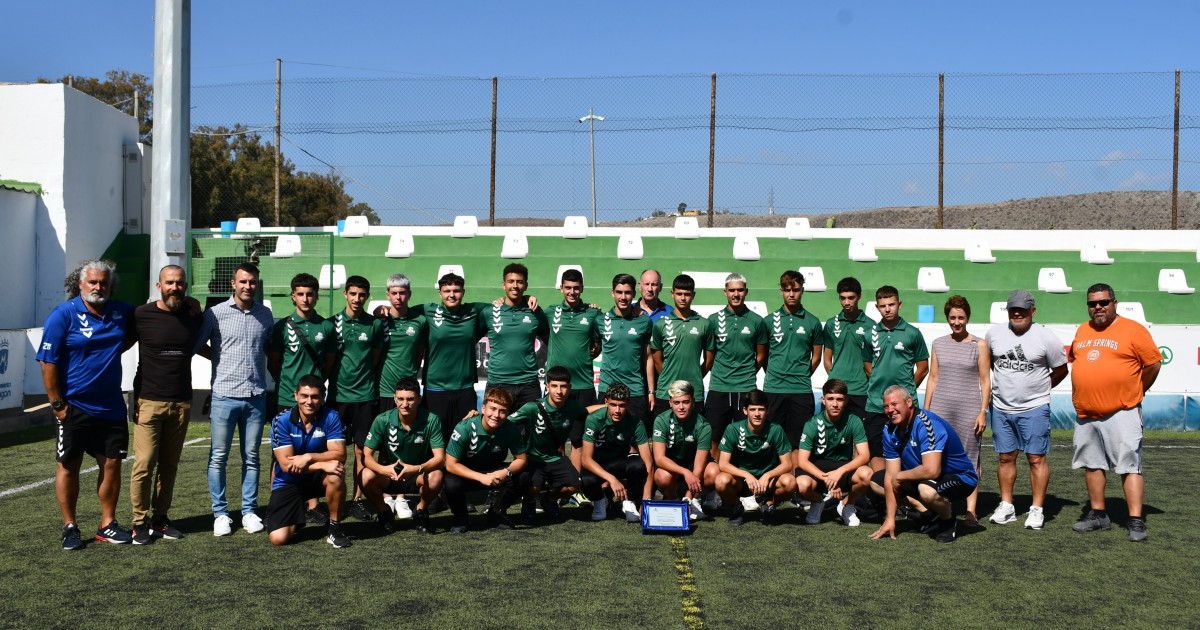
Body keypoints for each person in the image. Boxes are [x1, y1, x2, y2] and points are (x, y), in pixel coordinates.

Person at [38, 259, 136, 549]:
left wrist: (189, 305)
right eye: (92, 282)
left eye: (103, 282)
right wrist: (57, 404)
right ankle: (70, 526)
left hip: (111, 406)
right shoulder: (63, 315)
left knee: (112, 464)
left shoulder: (121, 311)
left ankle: (107, 524)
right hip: (74, 406)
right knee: (69, 465)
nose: (98, 287)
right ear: (80, 284)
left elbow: (149, 316)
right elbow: (47, 361)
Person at [1068, 283, 1161, 542]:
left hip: (1122, 410)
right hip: (1087, 412)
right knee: (1092, 464)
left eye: (1103, 302)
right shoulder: (1082, 329)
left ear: (1114, 303)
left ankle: (1135, 519)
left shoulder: (1133, 329)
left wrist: (1135, 391)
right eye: (1092, 303)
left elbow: (1153, 364)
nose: (1097, 307)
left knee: (1129, 465)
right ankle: (1098, 514)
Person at [194, 261, 276, 536]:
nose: (247, 286)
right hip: (224, 395)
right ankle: (220, 514)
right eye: (243, 281)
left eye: (252, 282)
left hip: (255, 397)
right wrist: (218, 357)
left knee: (251, 457)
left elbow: (270, 348)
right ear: (233, 283)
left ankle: (249, 511)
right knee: (218, 457)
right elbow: (197, 345)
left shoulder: (265, 314)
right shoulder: (215, 313)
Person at [126, 265, 203, 544]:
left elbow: (206, 337)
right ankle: (138, 522)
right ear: (158, 286)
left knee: (169, 465)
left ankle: (160, 518)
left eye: (179, 283)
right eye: (169, 283)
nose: (174, 287)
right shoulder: (141, 315)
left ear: (186, 286)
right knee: (145, 463)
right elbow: (117, 346)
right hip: (149, 401)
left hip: (181, 402)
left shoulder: (193, 314)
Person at [985, 289, 1068, 530]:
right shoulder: (994, 334)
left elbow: (1061, 369)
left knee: (1036, 458)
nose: (1017, 313)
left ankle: (1037, 509)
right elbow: (990, 364)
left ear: (1033, 310)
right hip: (1001, 407)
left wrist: (1040, 389)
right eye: (1013, 309)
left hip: (1034, 407)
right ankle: (1007, 505)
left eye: (1022, 309)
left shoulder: (1046, 336)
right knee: (1005, 457)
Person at [868, 386, 978, 544]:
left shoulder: (927, 424)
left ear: (909, 402)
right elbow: (891, 475)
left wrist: (900, 476)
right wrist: (890, 519)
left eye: (894, 404)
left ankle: (948, 520)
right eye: (886, 406)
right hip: (924, 477)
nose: (890, 410)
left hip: (960, 477)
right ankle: (929, 514)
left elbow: (932, 470)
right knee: (876, 482)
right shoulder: (889, 429)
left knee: (926, 490)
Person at [924, 295, 990, 527]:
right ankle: (942, 505)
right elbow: (933, 378)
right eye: (952, 318)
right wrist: (926, 411)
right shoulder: (938, 343)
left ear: (968, 317)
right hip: (940, 409)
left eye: (961, 317)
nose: (956, 322)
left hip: (969, 409)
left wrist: (983, 411)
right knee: (937, 456)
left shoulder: (979, 345)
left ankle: (971, 510)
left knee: (971, 457)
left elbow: (985, 380)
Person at [266, 376, 351, 548]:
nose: (309, 402)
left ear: (322, 397)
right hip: (289, 481)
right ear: (296, 395)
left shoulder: (331, 416)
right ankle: (297, 516)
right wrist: (322, 464)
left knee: (335, 474)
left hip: (318, 478)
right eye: (304, 396)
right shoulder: (281, 421)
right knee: (278, 539)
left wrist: (309, 457)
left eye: (315, 397)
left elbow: (340, 454)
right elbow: (287, 466)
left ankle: (335, 529)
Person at [328, 275, 384, 521]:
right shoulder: (332, 324)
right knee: (335, 451)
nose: (357, 299)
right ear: (345, 294)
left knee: (362, 451)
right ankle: (336, 500)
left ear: (367, 296)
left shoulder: (374, 325)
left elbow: (374, 358)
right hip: (338, 397)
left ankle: (357, 500)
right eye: (353, 294)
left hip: (365, 397)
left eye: (362, 295)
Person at [361, 377, 444, 534]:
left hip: (418, 473)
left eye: (410, 399)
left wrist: (417, 468)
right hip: (390, 474)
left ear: (419, 399)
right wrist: (383, 470)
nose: (405, 404)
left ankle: (421, 511)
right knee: (365, 476)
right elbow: (366, 455)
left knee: (436, 476)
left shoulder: (431, 420)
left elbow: (440, 458)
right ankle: (384, 512)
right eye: (400, 399)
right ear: (394, 398)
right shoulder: (382, 420)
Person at [508, 366, 588, 524]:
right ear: (547, 387)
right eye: (554, 386)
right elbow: (505, 421)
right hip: (534, 459)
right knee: (534, 487)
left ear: (569, 387)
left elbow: (587, 411)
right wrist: (478, 417)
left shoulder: (573, 407)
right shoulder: (532, 407)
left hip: (556, 458)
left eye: (563, 386)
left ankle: (549, 499)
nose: (559, 391)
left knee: (575, 486)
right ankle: (529, 501)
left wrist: (607, 407)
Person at [443, 387, 529, 533]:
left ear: (508, 413)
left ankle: (497, 512)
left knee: (524, 476)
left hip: (494, 471)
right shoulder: (464, 428)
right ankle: (460, 516)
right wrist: (481, 477)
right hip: (467, 473)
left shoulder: (510, 428)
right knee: (450, 482)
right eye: (492, 409)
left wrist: (505, 472)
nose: (496, 415)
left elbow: (522, 459)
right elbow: (450, 465)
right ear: (483, 408)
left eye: (502, 411)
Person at [862, 285, 929, 472]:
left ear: (899, 304)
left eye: (891, 304)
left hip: (905, 406)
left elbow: (923, 368)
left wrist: (905, 393)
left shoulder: (912, 333)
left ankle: (905, 489)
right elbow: (867, 365)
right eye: (883, 306)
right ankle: (881, 489)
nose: (888, 309)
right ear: (877, 307)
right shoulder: (869, 334)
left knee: (908, 450)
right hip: (876, 404)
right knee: (877, 452)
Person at [704, 273, 767, 461]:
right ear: (725, 292)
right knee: (714, 437)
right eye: (732, 290)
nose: (736, 294)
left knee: (745, 436)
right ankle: (716, 473)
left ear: (746, 291)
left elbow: (761, 355)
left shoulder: (757, 321)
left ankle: (741, 473)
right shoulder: (713, 320)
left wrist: (746, 372)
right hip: (719, 387)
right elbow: (710, 355)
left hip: (746, 387)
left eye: (740, 290)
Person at [763, 270, 825, 457]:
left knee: (799, 443)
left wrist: (802, 374)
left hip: (801, 390)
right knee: (772, 441)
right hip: (773, 389)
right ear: (781, 291)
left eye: (796, 290)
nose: (791, 294)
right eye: (787, 290)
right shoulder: (768, 321)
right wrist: (774, 373)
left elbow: (816, 357)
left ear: (802, 290)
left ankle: (796, 476)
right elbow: (763, 355)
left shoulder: (813, 322)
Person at [546, 267, 601, 474]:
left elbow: (598, 344)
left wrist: (595, 349)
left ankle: (575, 483)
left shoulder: (593, 313)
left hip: (583, 384)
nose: (572, 292)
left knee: (578, 439)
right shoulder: (550, 312)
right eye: (568, 287)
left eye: (576, 288)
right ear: (561, 288)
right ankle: (559, 480)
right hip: (557, 386)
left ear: (582, 288)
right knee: (556, 438)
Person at [421, 272, 487, 442]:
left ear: (463, 292)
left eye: (456, 290)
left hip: (465, 389)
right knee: (436, 441)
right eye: (447, 291)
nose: (452, 295)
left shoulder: (474, 310)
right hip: (436, 389)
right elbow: (402, 312)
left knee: (464, 441)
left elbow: (504, 305)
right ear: (440, 293)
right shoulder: (427, 310)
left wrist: (526, 298)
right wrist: (382, 309)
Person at [795, 379, 871, 526]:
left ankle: (846, 505)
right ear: (823, 400)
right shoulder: (812, 423)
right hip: (817, 470)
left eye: (839, 399)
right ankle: (818, 502)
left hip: (842, 468)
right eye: (830, 399)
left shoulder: (854, 421)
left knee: (866, 474)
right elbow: (802, 461)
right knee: (801, 484)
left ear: (846, 401)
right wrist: (827, 480)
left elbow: (865, 455)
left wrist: (839, 472)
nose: (835, 404)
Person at [714, 389, 796, 526]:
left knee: (790, 482)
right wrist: (746, 475)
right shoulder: (733, 429)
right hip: (741, 481)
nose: (757, 414)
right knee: (721, 481)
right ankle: (737, 506)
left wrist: (767, 475)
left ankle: (768, 504)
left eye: (761, 409)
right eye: (752, 409)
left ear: (768, 410)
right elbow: (723, 464)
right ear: (745, 410)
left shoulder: (775, 429)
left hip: (767, 482)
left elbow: (787, 464)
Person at [579, 382, 654, 522]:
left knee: (638, 465)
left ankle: (630, 501)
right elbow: (586, 460)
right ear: (606, 402)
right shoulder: (594, 419)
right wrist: (612, 480)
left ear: (628, 404)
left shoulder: (636, 422)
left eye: (622, 405)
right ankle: (600, 500)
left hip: (620, 462)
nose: (617, 410)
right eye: (613, 405)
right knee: (585, 480)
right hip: (598, 463)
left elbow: (648, 461)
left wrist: (647, 498)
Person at [267, 272, 335, 415]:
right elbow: (272, 364)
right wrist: (287, 385)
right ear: (293, 296)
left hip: (314, 399)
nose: (305, 299)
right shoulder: (282, 326)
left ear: (316, 296)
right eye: (300, 294)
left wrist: (316, 384)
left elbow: (330, 364)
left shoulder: (327, 326)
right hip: (286, 398)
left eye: (309, 294)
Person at [484, 263, 549, 410]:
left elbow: (550, 341)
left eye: (520, 282)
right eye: (511, 281)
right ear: (503, 285)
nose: (515, 286)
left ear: (526, 285)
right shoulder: (489, 312)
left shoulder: (535, 311)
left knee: (530, 424)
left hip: (528, 384)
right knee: (496, 424)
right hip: (498, 383)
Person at [650, 274, 713, 423]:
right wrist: (670, 379)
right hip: (666, 392)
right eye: (679, 294)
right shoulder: (660, 324)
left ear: (693, 295)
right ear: (672, 294)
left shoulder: (704, 324)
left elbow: (709, 360)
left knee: (694, 434)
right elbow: (657, 360)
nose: (683, 298)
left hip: (694, 392)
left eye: (687, 294)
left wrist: (695, 377)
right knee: (664, 433)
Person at [651, 380, 717, 521]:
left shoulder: (703, 425)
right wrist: (685, 472)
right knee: (662, 476)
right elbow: (659, 459)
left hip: (694, 464)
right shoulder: (661, 420)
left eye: (685, 402)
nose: (681, 407)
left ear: (693, 402)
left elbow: (699, 466)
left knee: (714, 472)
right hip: (672, 465)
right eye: (676, 402)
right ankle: (674, 500)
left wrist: (688, 498)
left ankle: (694, 500)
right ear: (670, 403)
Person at [594, 274, 653, 424]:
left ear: (634, 294)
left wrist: (651, 391)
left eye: (627, 292)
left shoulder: (644, 321)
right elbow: (593, 349)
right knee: (605, 434)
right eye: (619, 292)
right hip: (607, 388)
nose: (623, 297)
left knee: (637, 435)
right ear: (612, 293)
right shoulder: (600, 320)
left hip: (635, 389)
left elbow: (648, 357)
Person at [823, 277, 874, 421]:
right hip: (836, 392)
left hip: (861, 391)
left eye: (851, 298)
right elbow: (827, 359)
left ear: (859, 297)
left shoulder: (871, 325)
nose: (846, 302)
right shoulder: (831, 324)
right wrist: (835, 381)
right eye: (842, 298)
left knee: (860, 433)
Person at [374, 273, 427, 412]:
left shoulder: (420, 321)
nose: (398, 297)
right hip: (384, 391)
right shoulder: (378, 321)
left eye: (402, 293)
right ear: (388, 295)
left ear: (409, 294)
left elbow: (419, 354)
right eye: (394, 293)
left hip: (409, 391)